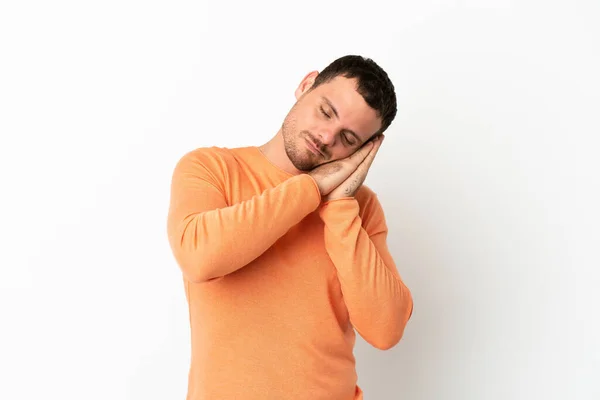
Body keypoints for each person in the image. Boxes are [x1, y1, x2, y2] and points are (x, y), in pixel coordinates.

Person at [166, 55, 413, 400]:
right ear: (306, 85)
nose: (327, 137)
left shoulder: (359, 207)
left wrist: (339, 204)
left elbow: (386, 329)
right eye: (326, 112)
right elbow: (199, 257)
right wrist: (311, 188)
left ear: (365, 150)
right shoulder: (213, 168)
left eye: (348, 138)